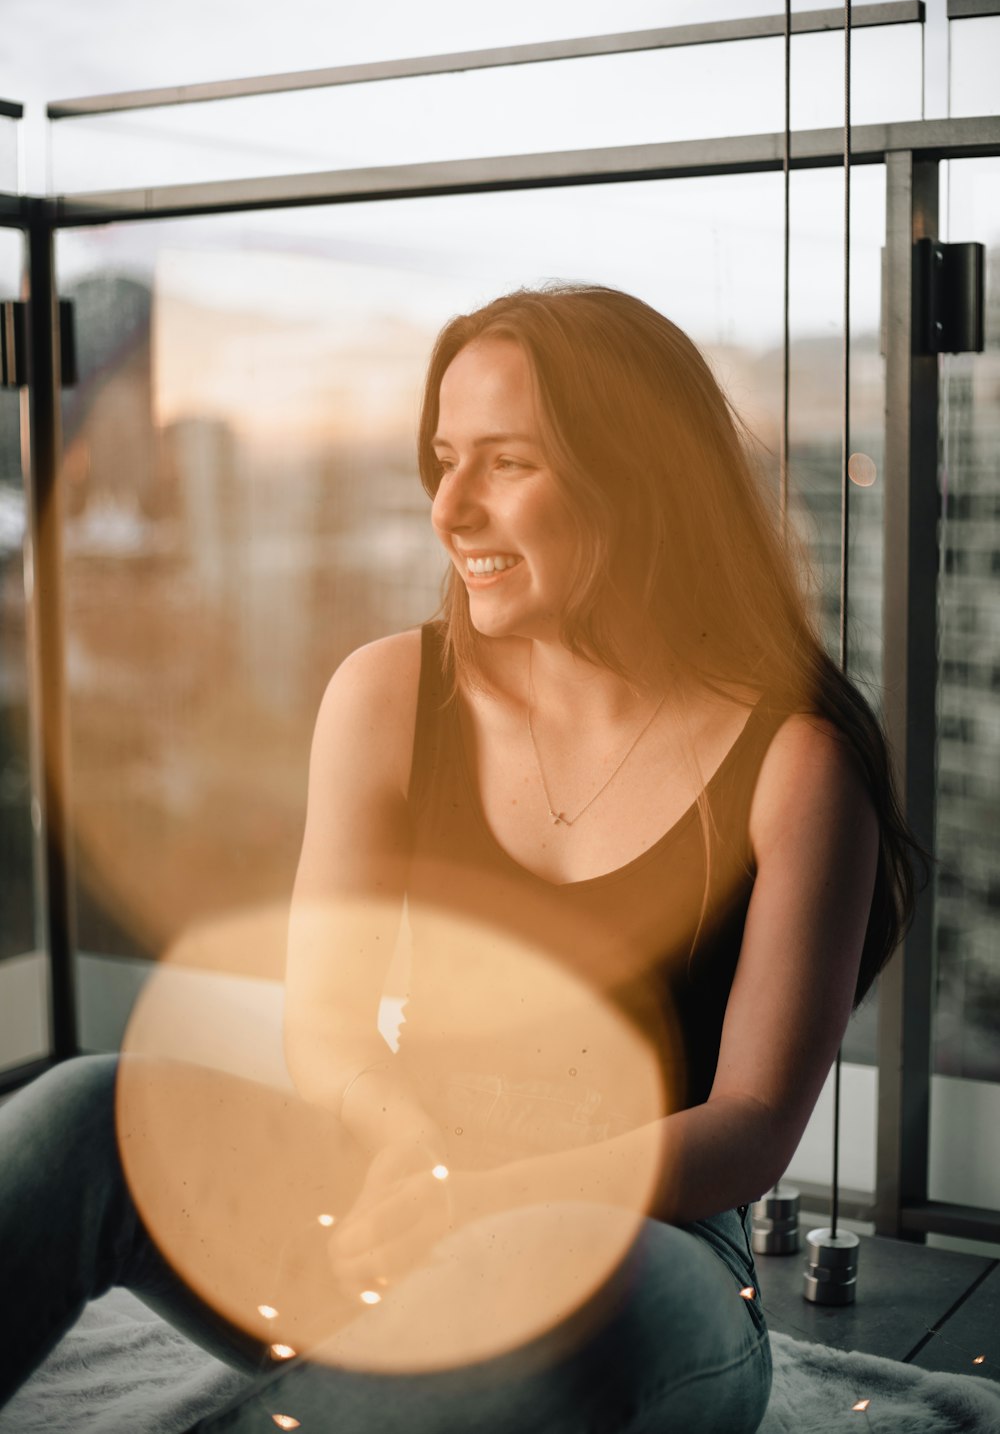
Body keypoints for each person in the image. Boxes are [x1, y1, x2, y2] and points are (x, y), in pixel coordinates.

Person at [0, 284, 918, 1434]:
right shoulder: (389, 696)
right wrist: (407, 1147)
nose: (449, 508)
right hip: (396, 1212)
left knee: (589, 1299)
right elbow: (327, 1022)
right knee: (92, 1107)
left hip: (645, 1265)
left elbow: (748, 1126)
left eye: (506, 464)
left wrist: (495, 1199)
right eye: (442, 460)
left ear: (640, 474)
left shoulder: (798, 762)